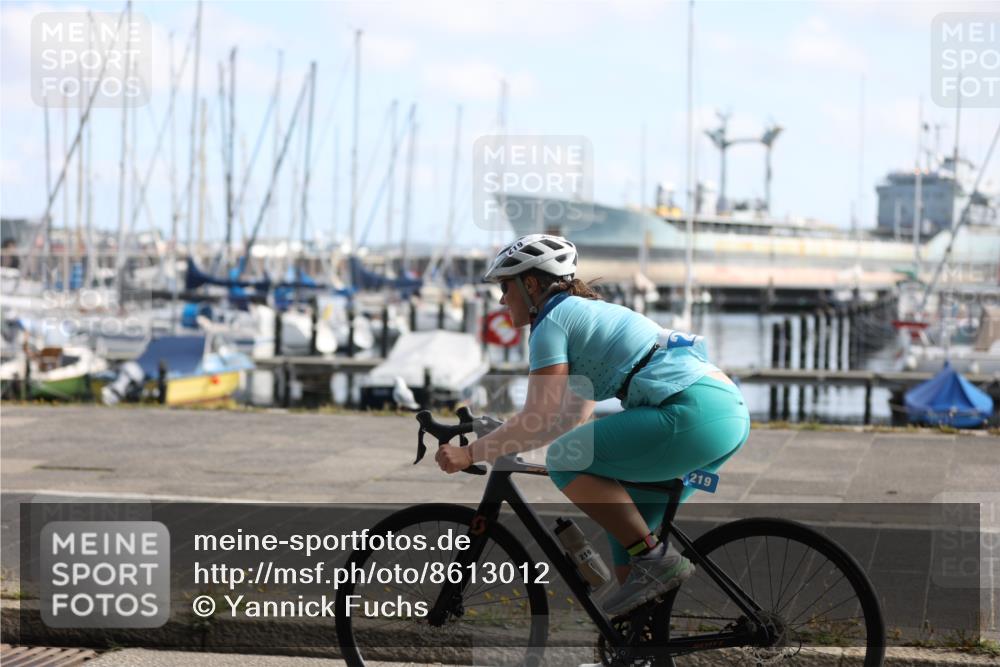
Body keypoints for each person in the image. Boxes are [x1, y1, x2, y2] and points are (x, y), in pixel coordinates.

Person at [435, 234, 750, 617]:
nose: (502, 299)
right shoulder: (585, 314)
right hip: (724, 413)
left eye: (505, 287)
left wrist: (470, 452)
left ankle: (658, 560)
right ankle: (639, 647)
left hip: (691, 411)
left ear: (529, 284)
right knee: (629, 541)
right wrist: (505, 434)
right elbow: (569, 417)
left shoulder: (551, 324)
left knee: (566, 460)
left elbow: (540, 419)